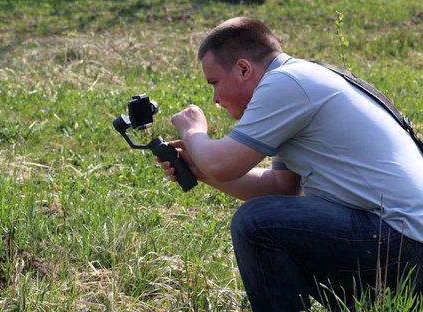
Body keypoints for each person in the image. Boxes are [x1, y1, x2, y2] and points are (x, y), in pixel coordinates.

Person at [159, 17, 423, 311]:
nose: (215, 98)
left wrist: (193, 130)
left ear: (244, 68)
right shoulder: (299, 79)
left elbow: (222, 163)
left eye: (214, 83)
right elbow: (280, 188)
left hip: (402, 241)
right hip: (404, 240)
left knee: (256, 222)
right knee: (269, 222)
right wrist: (202, 171)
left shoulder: (286, 83)